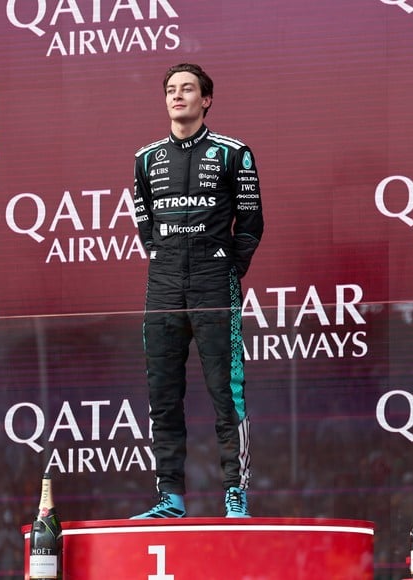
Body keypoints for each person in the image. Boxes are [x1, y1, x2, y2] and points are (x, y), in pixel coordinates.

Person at [131, 63, 264, 518]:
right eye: (171, 89)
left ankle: (235, 492)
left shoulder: (234, 152)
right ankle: (170, 496)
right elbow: (146, 223)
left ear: (206, 99)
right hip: (163, 284)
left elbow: (250, 223)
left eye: (187, 89)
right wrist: (166, 259)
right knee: (162, 394)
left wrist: (227, 266)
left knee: (226, 392)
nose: (177, 96)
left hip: (213, 281)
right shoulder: (146, 158)